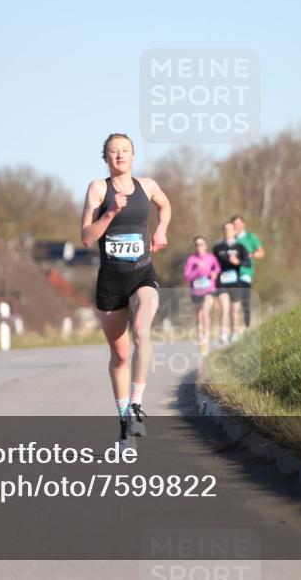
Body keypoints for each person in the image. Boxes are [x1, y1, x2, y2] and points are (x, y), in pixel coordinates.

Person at [80, 133, 171, 446]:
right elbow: (87, 238)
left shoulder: (148, 186)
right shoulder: (98, 188)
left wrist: (161, 229)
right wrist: (110, 213)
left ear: (134, 155)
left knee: (142, 333)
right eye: (112, 152)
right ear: (105, 157)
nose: (119, 156)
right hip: (110, 282)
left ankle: (136, 404)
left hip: (142, 274)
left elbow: (165, 205)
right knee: (119, 354)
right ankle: (124, 425)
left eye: (124, 151)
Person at [212, 221, 251, 344]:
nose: (227, 231)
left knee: (234, 311)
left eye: (230, 229)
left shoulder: (240, 247)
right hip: (222, 282)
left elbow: (248, 263)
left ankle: (234, 334)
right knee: (224, 309)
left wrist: (238, 262)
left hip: (235, 283)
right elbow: (213, 264)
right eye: (225, 229)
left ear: (234, 231)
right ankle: (223, 334)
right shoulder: (217, 247)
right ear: (222, 232)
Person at [184, 236, 220, 348]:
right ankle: (201, 338)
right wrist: (196, 269)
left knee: (205, 311)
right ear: (195, 246)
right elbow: (187, 277)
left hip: (209, 290)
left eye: (202, 244)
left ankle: (206, 338)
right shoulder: (191, 259)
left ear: (206, 246)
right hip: (196, 291)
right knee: (199, 316)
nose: (199, 246)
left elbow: (217, 268)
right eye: (197, 244)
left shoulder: (211, 258)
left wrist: (214, 273)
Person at [232, 215, 264, 331]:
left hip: (245, 272)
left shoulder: (250, 237)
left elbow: (261, 253)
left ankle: (247, 327)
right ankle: (233, 330)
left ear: (243, 225)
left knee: (245, 300)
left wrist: (251, 255)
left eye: (239, 224)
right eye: (235, 224)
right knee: (232, 303)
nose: (237, 226)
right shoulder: (230, 239)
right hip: (231, 274)